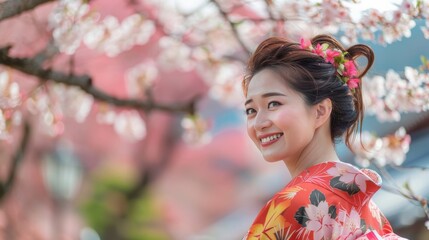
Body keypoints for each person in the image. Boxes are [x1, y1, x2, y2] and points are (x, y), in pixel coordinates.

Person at [242, 35, 406, 240]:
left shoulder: (293, 205)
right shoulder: (371, 212)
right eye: (250, 110)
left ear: (320, 111)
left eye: (273, 104)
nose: (259, 123)